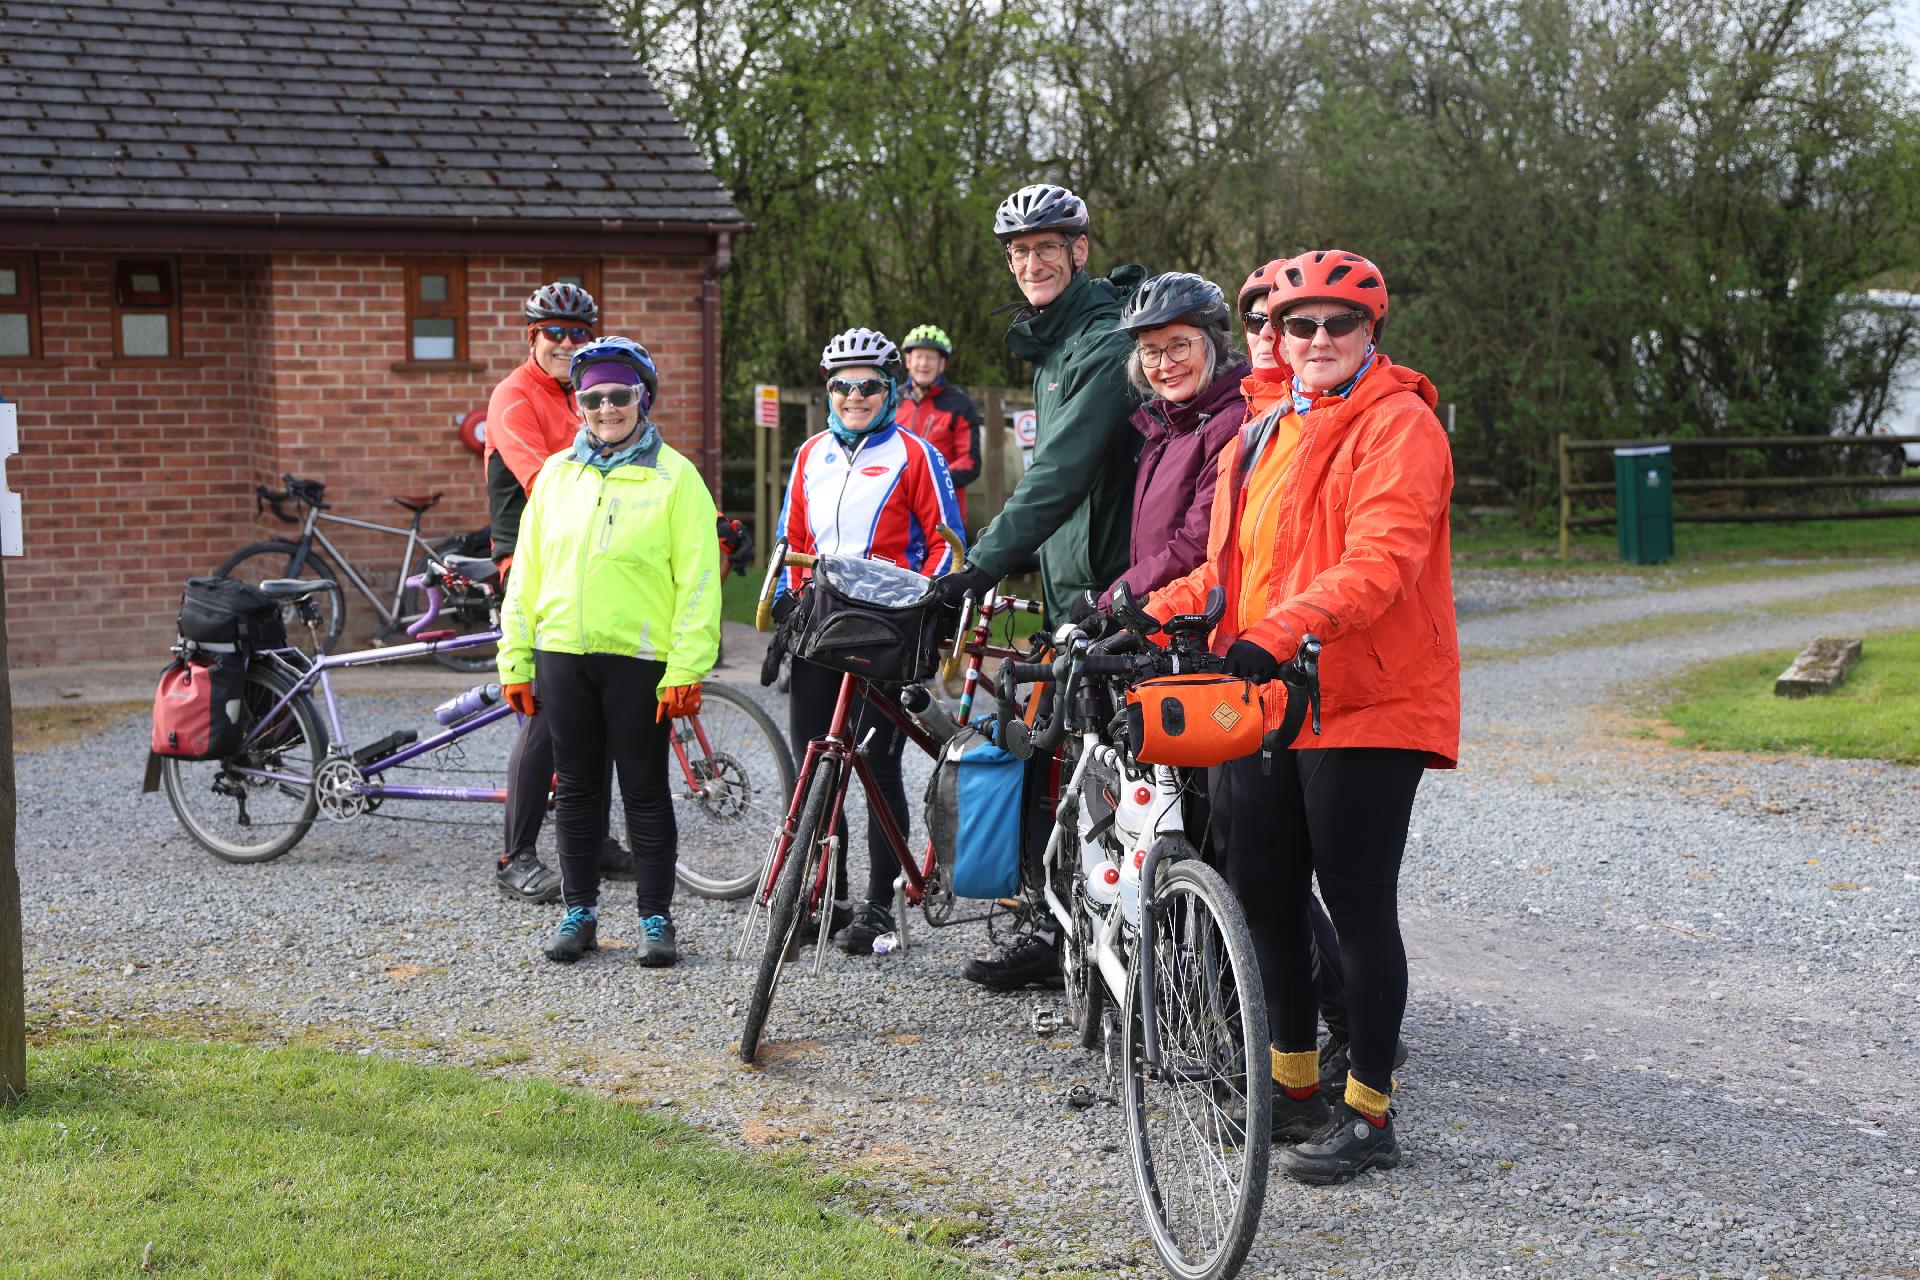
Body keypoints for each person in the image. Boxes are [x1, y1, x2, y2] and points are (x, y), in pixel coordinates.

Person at [1145, 250, 1458, 1184]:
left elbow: (1382, 561)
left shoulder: (1402, 427)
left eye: (1340, 325)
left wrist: (1279, 632)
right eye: (1299, 326)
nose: (1318, 340)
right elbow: (1230, 575)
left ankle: (1370, 1111)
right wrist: (1139, 614)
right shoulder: (1267, 429)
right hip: (1271, 696)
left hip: (1369, 699)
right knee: (1265, 892)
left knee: (1358, 907)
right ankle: (1291, 1091)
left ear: (1372, 335)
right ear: (1276, 337)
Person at [929, 183, 1145, 993]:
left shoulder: (1098, 339)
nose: (1031, 263)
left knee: (1120, 784)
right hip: (1071, 591)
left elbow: (1059, 475)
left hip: (1112, 596)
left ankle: (1143, 952)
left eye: (1047, 247)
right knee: (1060, 767)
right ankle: (1061, 934)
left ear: (1079, 251)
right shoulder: (1055, 347)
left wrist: (980, 565)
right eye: (1018, 252)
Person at [496, 337, 722, 969]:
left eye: (619, 395)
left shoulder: (676, 477)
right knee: (575, 790)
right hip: (562, 653)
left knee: (645, 791)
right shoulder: (556, 477)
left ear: (641, 397)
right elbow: (528, 576)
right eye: (591, 397)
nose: (605, 408)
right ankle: (580, 912)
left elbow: (700, 580)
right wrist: (515, 658)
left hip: (641, 663)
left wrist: (687, 666)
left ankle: (656, 919)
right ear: (578, 404)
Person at [769, 327, 965, 954]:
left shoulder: (916, 454)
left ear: (891, 390)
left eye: (869, 386)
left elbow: (946, 543)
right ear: (828, 391)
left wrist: (924, 600)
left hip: (887, 633)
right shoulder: (809, 454)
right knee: (816, 764)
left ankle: (879, 905)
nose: (855, 396)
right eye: (841, 386)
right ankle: (825, 895)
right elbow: (792, 539)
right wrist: (786, 599)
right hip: (821, 629)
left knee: (877, 768)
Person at [484, 281, 624, 904]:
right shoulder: (514, 398)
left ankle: (588, 838)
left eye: (578, 333)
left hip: (590, 561)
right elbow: (547, 481)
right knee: (546, 712)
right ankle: (516, 854)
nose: (567, 343)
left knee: (602, 701)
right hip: (532, 565)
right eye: (554, 333)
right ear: (532, 337)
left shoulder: (588, 392)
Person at [1065, 271, 1249, 620]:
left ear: (1215, 342)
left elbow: (1195, 546)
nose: (1165, 365)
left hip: (1199, 627)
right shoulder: (1166, 424)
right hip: (1160, 619)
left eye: (1179, 345)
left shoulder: (1229, 424)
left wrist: (1111, 601)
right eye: (1150, 351)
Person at [894, 325, 983, 524]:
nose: (924, 364)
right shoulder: (891, 401)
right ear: (908, 361)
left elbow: (970, 461)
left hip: (945, 513)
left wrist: (930, 480)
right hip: (897, 511)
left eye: (931, 358)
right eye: (918, 356)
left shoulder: (959, 405)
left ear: (942, 364)